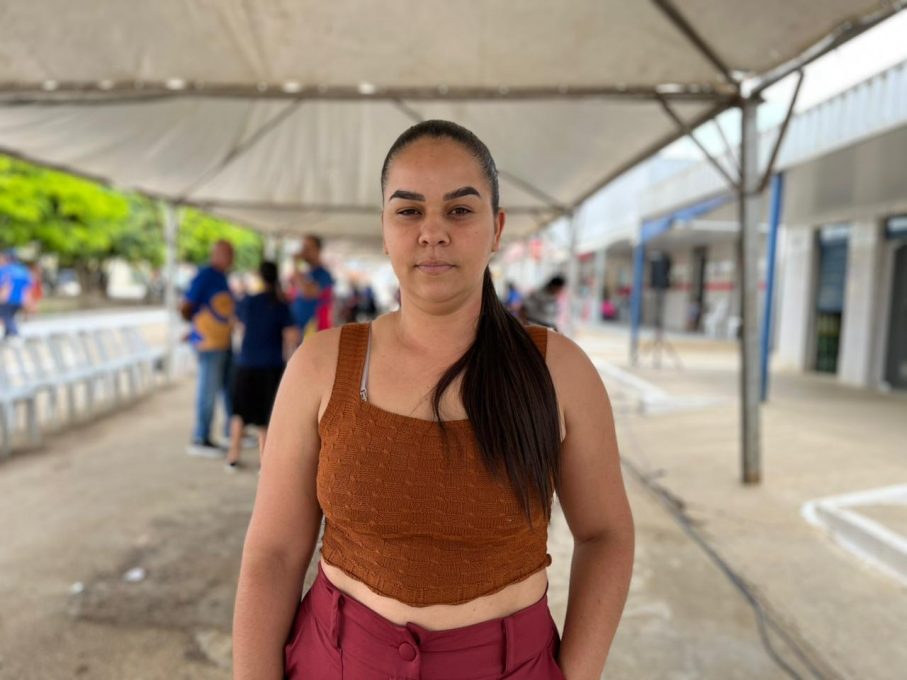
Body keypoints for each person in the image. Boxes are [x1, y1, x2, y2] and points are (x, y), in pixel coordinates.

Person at [232, 120, 634, 679]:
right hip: (335, 660)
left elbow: (605, 534)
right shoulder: (320, 366)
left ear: (496, 228)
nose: (433, 232)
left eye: (460, 210)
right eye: (409, 210)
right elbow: (274, 552)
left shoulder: (558, 371)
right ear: (384, 227)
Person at [225, 261, 298, 471]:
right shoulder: (280, 304)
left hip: (246, 362)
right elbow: (292, 335)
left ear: (259, 277)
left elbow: (234, 322)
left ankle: (233, 456)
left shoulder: (248, 301)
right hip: (271, 365)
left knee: (240, 412)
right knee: (266, 416)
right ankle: (264, 462)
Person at [180, 240, 236, 458]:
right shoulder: (205, 276)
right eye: (227, 254)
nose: (231, 258)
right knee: (208, 391)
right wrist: (197, 326)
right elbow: (186, 305)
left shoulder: (221, 277)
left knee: (227, 389)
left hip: (223, 343)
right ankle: (201, 438)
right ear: (216, 254)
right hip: (209, 345)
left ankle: (229, 432)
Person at [289, 235, 334, 340]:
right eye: (303, 248)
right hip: (301, 331)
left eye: (308, 248)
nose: (304, 252)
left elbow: (307, 292)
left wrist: (295, 264)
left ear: (318, 250)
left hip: (315, 333)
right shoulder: (306, 274)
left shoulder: (324, 274)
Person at [0, 250, 33, 339]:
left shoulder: (5, 270)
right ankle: (8, 335)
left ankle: (15, 334)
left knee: (6, 316)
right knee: (10, 316)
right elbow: (28, 286)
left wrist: (2, 297)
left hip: (8, 298)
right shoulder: (22, 270)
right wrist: (28, 301)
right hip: (20, 299)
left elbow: (5, 285)